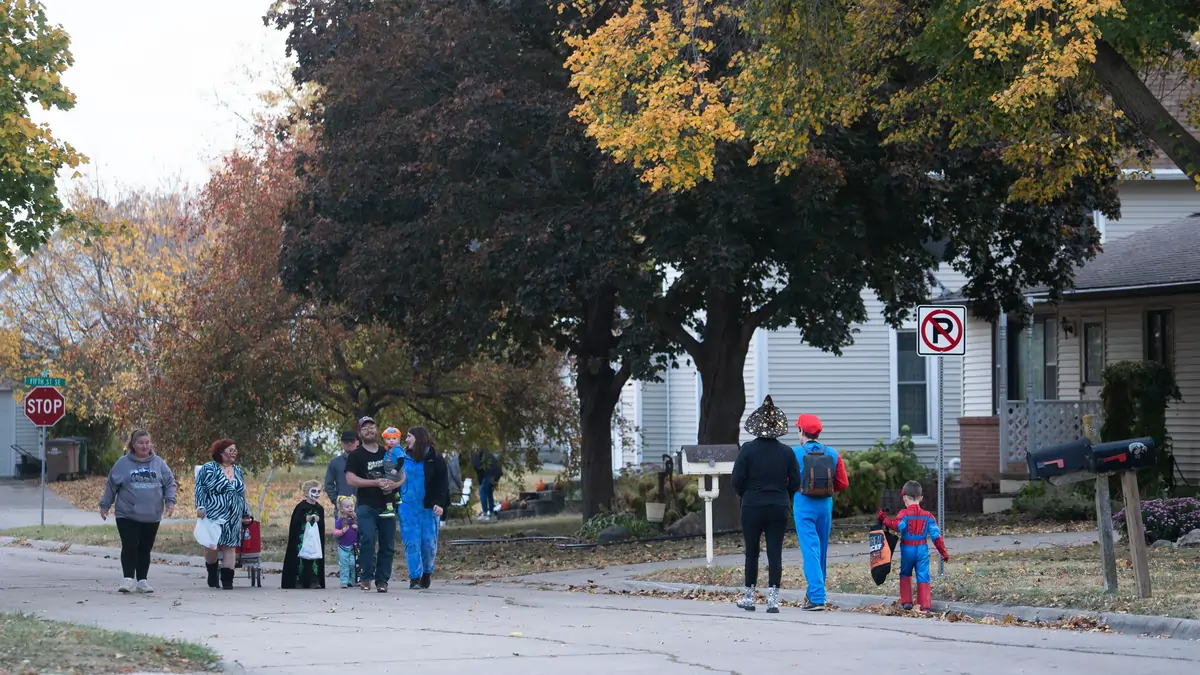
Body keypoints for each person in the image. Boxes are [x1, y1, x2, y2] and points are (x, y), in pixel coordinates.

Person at [732, 396, 801, 614]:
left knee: (752, 552)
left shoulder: (747, 450)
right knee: (775, 552)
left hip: (752, 505)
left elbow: (736, 480)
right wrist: (784, 496)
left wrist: (746, 494)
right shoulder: (787, 452)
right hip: (778, 505)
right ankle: (772, 600)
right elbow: (796, 482)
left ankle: (749, 598)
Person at [99, 430, 177, 594]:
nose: (144, 446)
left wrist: (170, 500)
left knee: (145, 548)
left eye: (147, 442)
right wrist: (105, 504)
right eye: (140, 443)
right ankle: (128, 579)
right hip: (127, 513)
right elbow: (111, 485)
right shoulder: (122, 463)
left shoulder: (159, 463)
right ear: (132, 445)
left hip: (152, 514)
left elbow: (170, 482)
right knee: (130, 545)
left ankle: (142, 581)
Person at [791, 413, 849, 611]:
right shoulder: (832, 453)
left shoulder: (795, 453)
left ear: (801, 431)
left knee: (810, 549)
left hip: (803, 504)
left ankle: (817, 596)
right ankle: (815, 590)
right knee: (821, 549)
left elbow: (787, 481)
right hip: (825, 505)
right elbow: (843, 483)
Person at [344, 416, 403, 592]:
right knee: (367, 539)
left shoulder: (388, 452)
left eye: (372, 427)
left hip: (388, 505)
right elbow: (350, 479)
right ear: (360, 434)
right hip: (366, 505)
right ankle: (366, 577)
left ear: (377, 430)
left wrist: (394, 484)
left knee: (387, 544)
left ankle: (382, 580)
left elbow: (402, 474)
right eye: (365, 428)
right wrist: (375, 482)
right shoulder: (356, 455)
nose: (369, 430)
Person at [878, 481, 950, 611]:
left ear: (904, 497)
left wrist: (884, 519)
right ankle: (925, 605)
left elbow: (897, 527)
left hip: (907, 549)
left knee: (905, 573)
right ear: (921, 498)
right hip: (922, 549)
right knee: (923, 575)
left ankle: (907, 602)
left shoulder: (904, 514)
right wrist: (943, 552)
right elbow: (936, 536)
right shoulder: (928, 516)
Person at [195, 438, 253, 590]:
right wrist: (200, 506)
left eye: (235, 450)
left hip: (234, 514)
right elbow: (200, 488)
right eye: (230, 450)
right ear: (221, 452)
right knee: (212, 546)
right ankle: (212, 570)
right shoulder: (209, 468)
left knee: (230, 545)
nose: (234, 453)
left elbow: (241, 494)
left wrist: (246, 511)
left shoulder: (238, 470)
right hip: (214, 514)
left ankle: (228, 581)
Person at [399, 426, 450, 589]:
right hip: (407, 505)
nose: (406, 440)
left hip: (428, 506)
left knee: (428, 543)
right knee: (411, 542)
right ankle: (414, 577)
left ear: (419, 438)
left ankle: (427, 572)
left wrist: (440, 503)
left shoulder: (435, 458)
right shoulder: (401, 457)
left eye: (409, 436)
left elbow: (442, 484)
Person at [282, 480, 326, 589]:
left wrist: (317, 520)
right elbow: (295, 522)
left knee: (314, 559)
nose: (316, 494)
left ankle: (314, 580)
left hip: (314, 540)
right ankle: (298, 580)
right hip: (301, 539)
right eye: (314, 491)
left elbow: (321, 525)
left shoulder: (319, 508)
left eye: (318, 491)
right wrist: (304, 519)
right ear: (306, 493)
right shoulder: (301, 507)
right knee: (300, 559)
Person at [324, 430, 358, 511]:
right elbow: (328, 485)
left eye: (352, 441)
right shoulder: (335, 462)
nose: (349, 443)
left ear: (357, 442)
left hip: (362, 507)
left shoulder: (364, 460)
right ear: (342, 443)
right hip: (342, 509)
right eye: (346, 441)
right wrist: (337, 501)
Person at [332, 496, 359, 588]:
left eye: (352, 506)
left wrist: (357, 528)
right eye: (347, 507)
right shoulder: (340, 521)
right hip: (343, 547)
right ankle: (344, 581)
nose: (350, 508)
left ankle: (353, 580)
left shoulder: (356, 519)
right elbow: (335, 532)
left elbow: (362, 532)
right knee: (344, 564)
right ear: (342, 509)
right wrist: (342, 532)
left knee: (353, 564)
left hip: (354, 547)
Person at [471, 449, 502, 521]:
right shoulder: (485, 453)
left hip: (489, 474)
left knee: (482, 492)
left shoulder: (475, 456)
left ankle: (485, 514)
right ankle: (491, 513)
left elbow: (478, 469)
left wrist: (480, 483)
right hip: (496, 473)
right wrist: (496, 479)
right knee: (489, 493)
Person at [381, 427, 405, 516]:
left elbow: (401, 460)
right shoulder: (389, 448)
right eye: (388, 439)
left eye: (394, 438)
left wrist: (396, 469)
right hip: (389, 470)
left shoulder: (397, 449)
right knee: (392, 485)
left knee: (386, 487)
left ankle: (390, 508)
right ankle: (397, 497)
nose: (391, 441)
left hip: (394, 471)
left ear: (398, 439)